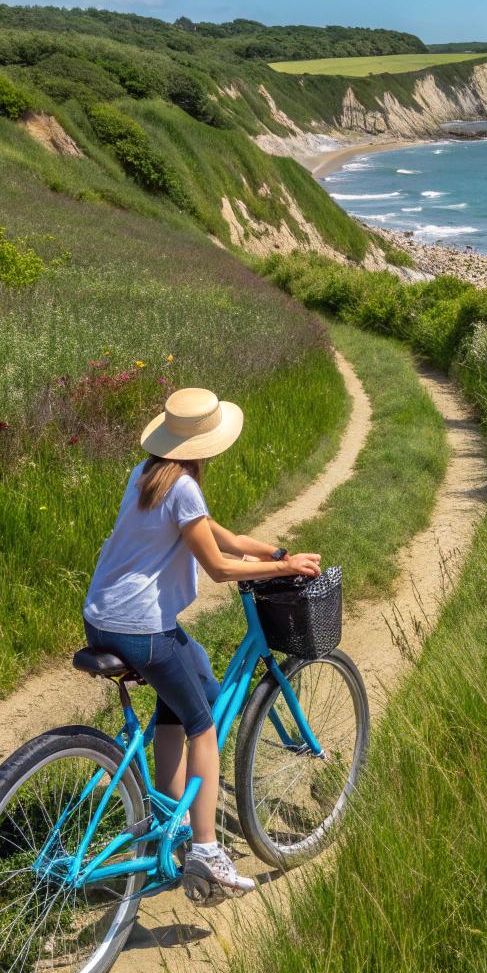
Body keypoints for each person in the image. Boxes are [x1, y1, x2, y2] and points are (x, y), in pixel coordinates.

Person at [83, 385, 321, 900]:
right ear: (208, 444)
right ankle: (208, 852)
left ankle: (171, 823)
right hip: (141, 628)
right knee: (204, 725)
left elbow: (217, 535)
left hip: (102, 618)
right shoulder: (184, 487)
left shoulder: (149, 474)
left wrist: (275, 550)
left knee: (189, 680)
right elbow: (217, 568)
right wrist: (283, 568)